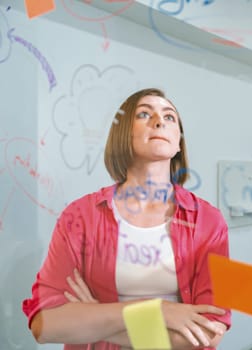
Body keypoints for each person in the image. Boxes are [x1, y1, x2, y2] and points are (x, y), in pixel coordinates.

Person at [22, 88, 231, 350]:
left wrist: (97, 319)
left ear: (178, 142)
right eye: (144, 114)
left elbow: (212, 330)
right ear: (122, 135)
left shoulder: (212, 221)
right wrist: (157, 310)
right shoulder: (78, 216)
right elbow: (44, 324)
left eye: (169, 117)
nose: (158, 121)